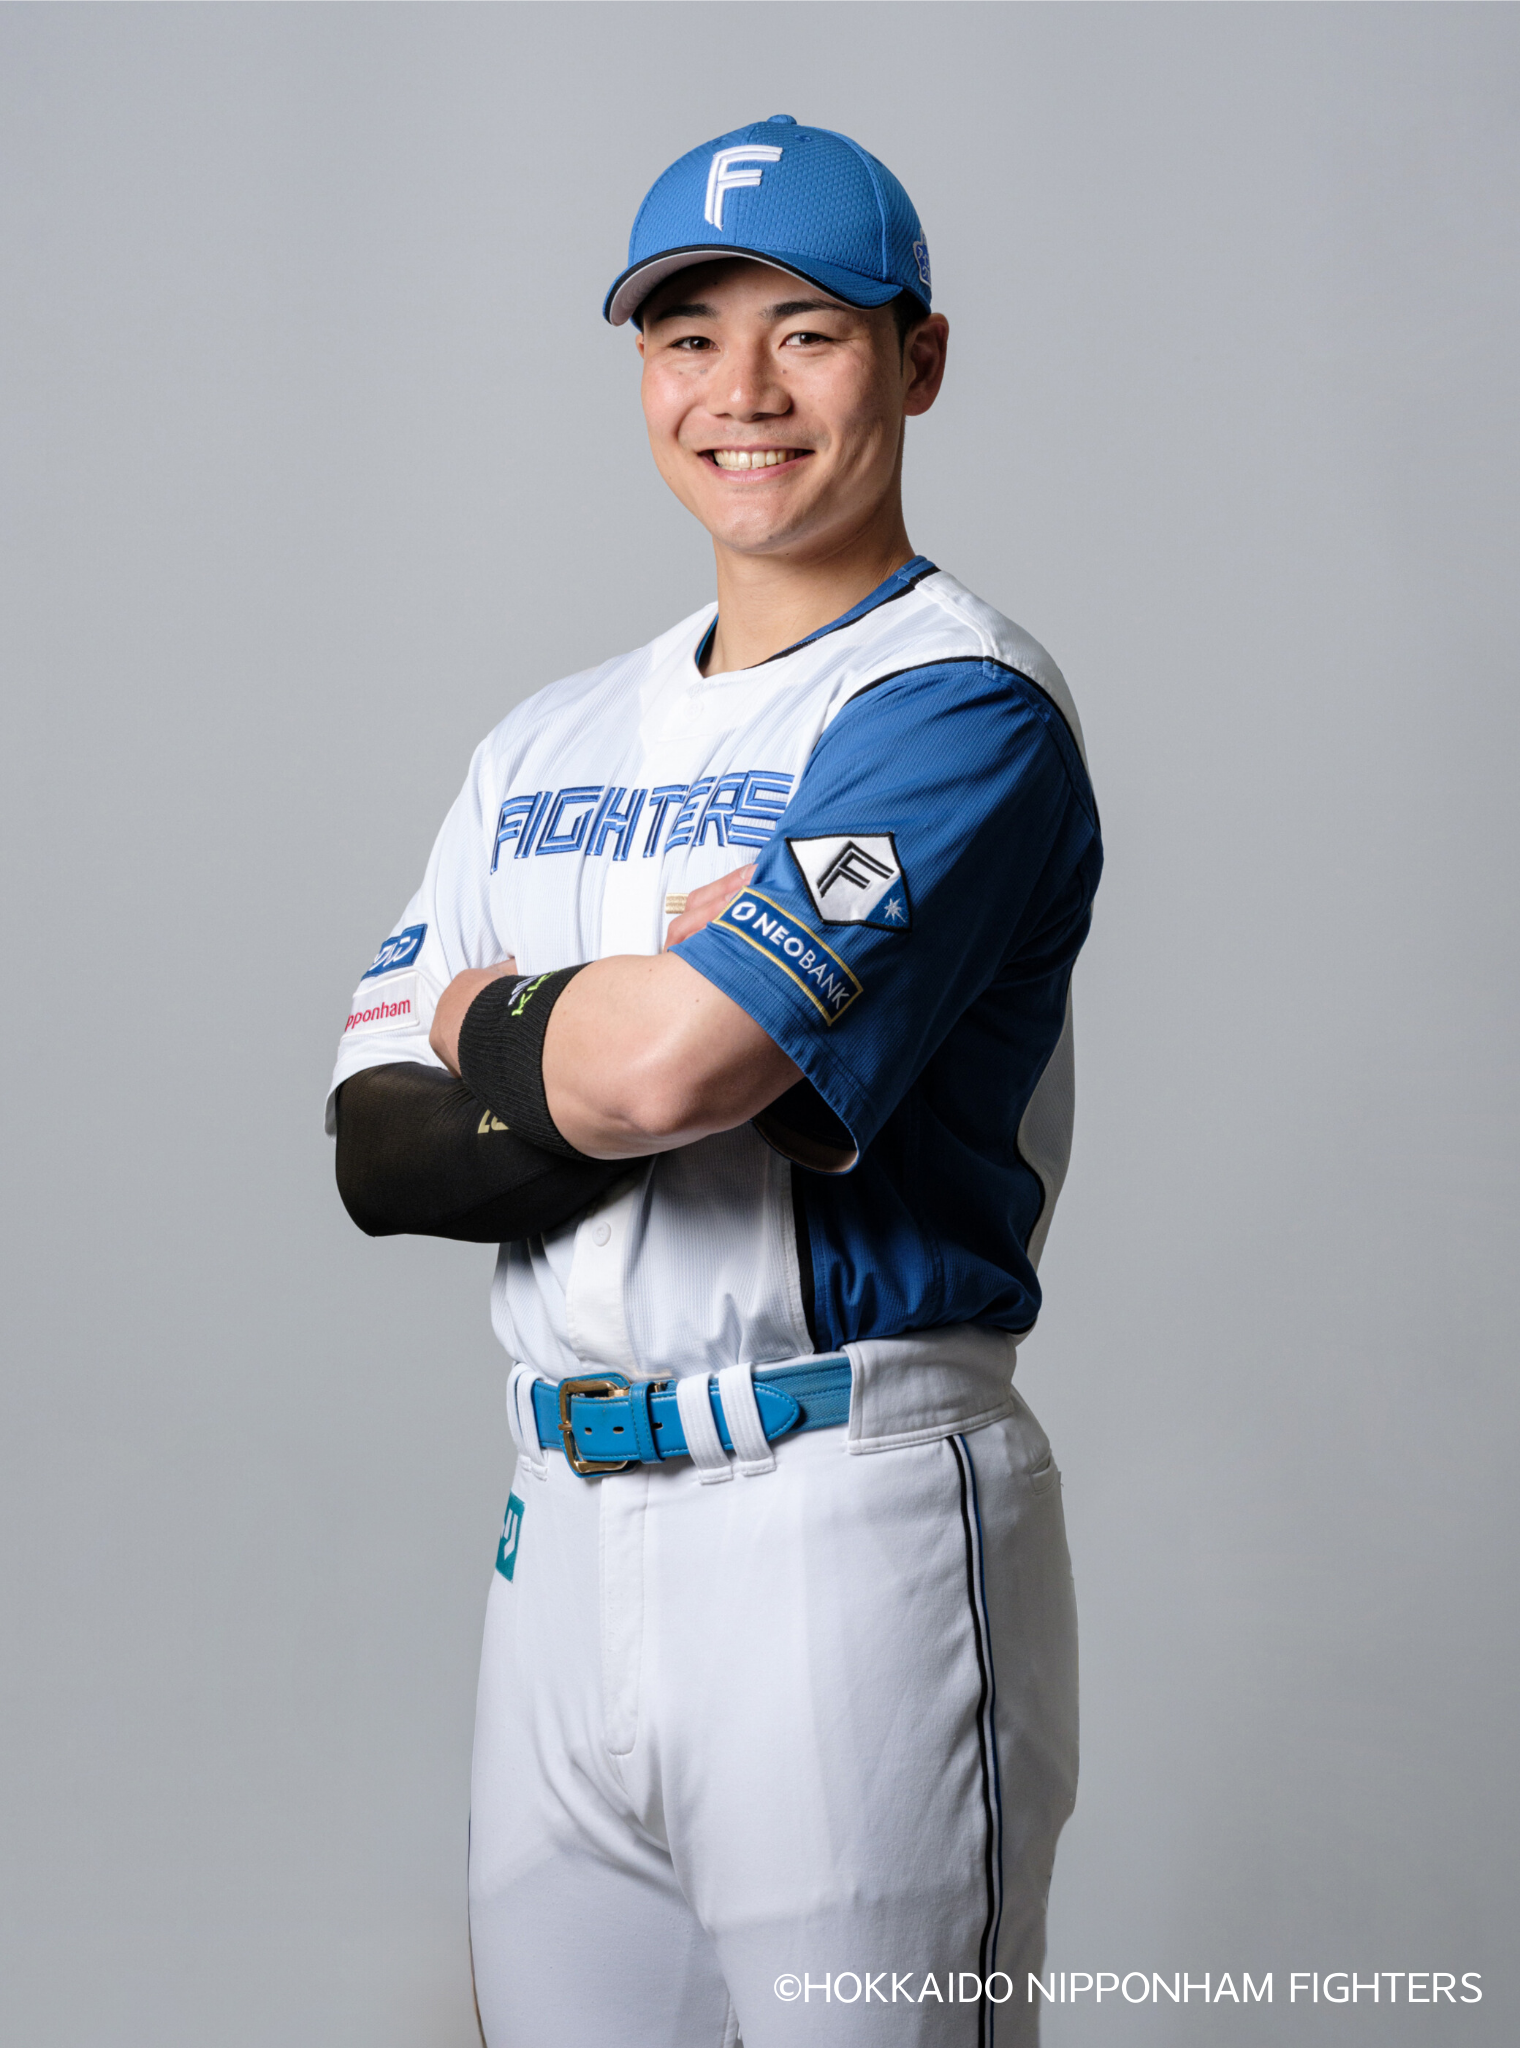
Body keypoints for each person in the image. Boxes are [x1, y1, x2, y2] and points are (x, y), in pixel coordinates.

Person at [327, 114, 1102, 2048]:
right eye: (687, 336)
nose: (739, 391)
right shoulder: (544, 740)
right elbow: (377, 1148)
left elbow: (676, 1068)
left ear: (919, 360)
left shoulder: (955, 706)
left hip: (845, 1519)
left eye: (808, 332)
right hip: (559, 1529)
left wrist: (512, 1020)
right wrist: (606, 1025)